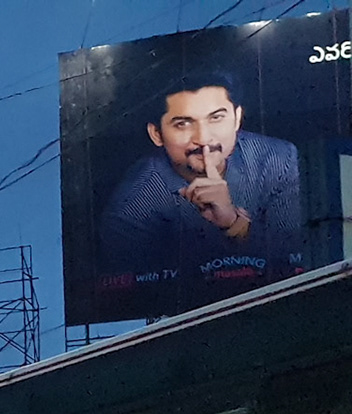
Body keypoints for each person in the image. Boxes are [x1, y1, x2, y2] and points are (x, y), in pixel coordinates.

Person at [98, 71, 302, 299]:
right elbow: (151, 300)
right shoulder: (131, 210)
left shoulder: (279, 158)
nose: (203, 138)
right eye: (183, 124)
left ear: (237, 119)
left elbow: (299, 261)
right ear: (156, 134)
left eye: (216, 118)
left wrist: (234, 224)